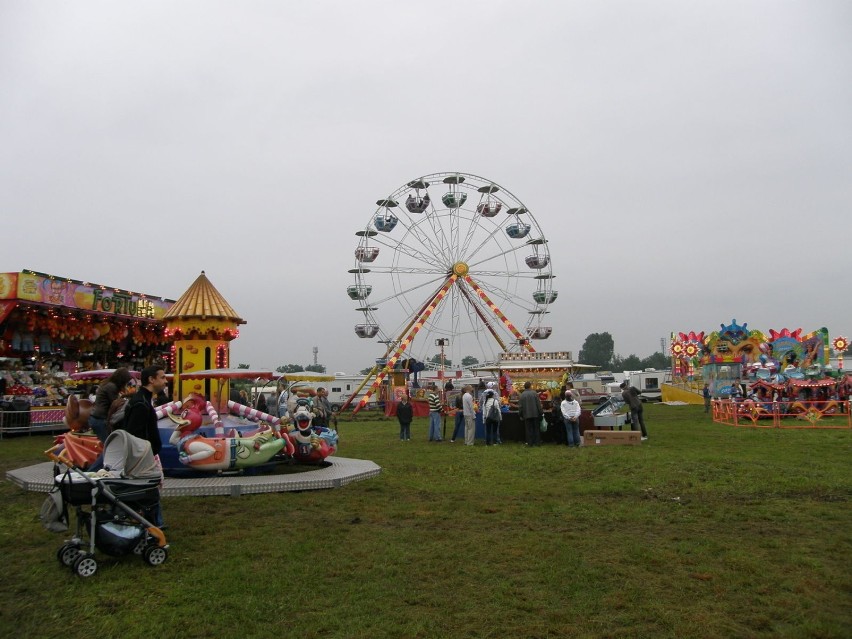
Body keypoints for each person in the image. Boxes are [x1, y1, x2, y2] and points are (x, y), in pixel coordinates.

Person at [116, 365, 167, 526]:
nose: (165, 381)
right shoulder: (141, 404)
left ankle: (155, 521)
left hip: (146, 453)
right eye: (162, 377)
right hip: (143, 456)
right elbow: (134, 434)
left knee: (152, 489)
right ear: (151, 380)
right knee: (149, 488)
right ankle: (153, 522)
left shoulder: (143, 400)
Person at [88, 367, 133, 442]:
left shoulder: (109, 384)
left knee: (107, 443)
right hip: (100, 418)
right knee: (108, 444)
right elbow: (116, 403)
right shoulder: (111, 387)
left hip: (96, 417)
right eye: (125, 382)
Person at [519, 381, 543, 446]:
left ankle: (530, 443)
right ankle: (537, 442)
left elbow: (520, 406)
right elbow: (538, 404)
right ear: (530, 386)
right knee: (536, 429)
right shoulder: (534, 393)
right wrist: (541, 412)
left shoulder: (522, 395)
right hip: (535, 414)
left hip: (526, 414)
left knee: (528, 429)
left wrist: (520, 415)